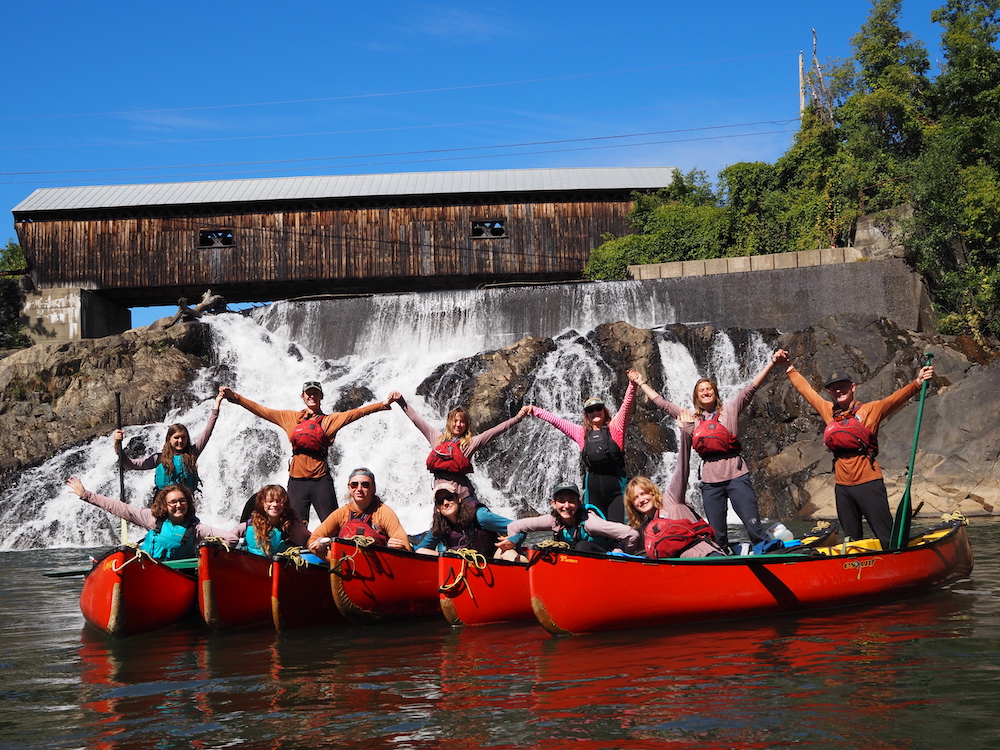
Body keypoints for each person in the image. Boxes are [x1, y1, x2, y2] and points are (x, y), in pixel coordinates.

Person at [631, 352, 786, 550]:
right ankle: (722, 567)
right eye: (701, 390)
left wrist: (772, 363)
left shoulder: (730, 409)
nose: (705, 392)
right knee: (718, 535)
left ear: (715, 392)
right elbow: (663, 404)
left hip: (736, 476)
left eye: (709, 389)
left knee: (753, 525)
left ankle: (774, 556)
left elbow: (751, 388)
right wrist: (641, 383)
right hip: (711, 483)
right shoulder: (691, 418)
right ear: (696, 396)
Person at [780, 356, 934, 550]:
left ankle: (897, 563)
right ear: (829, 392)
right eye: (834, 388)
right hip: (842, 486)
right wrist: (788, 367)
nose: (839, 390)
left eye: (843, 386)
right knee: (852, 540)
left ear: (853, 387)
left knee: (886, 536)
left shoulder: (871, 410)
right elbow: (806, 391)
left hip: (868, 482)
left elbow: (894, 400)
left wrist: (918, 382)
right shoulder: (829, 411)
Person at [219, 382, 399, 524]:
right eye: (309, 393)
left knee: (332, 522)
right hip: (297, 480)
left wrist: (384, 404)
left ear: (321, 397)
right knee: (295, 523)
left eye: (316, 393)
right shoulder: (289, 418)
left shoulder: (330, 420)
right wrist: (234, 396)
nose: (312, 396)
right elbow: (261, 410)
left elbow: (358, 413)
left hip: (320, 479)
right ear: (303, 396)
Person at [527, 376, 637, 523]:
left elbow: (627, 406)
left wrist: (632, 384)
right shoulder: (581, 433)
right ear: (586, 414)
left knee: (620, 529)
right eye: (591, 410)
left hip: (617, 489)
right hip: (593, 490)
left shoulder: (615, 428)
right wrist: (534, 410)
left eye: (598, 408)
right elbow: (557, 421)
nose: (595, 412)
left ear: (604, 410)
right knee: (594, 530)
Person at [623, 410, 726, 558]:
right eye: (636, 497)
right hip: (679, 568)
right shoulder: (644, 528)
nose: (641, 499)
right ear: (632, 504)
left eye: (643, 493)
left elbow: (681, 469)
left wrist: (686, 433)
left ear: (652, 493)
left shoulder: (671, 498)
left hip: (705, 555)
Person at [65, 476, 237, 560]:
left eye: (182, 501)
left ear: (188, 503)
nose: (178, 506)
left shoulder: (197, 528)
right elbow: (121, 508)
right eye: (173, 502)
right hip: (145, 570)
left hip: (177, 575)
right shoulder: (152, 519)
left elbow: (231, 538)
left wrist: (208, 559)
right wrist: (86, 495)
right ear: (165, 505)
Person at [396, 397, 530, 501]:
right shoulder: (437, 438)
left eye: (462, 422)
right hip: (442, 497)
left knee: (480, 518)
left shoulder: (470, 443)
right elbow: (417, 420)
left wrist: (518, 418)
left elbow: (495, 431)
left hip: (462, 496)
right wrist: (400, 400)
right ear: (450, 422)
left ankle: (512, 530)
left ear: (466, 425)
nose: (458, 425)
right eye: (455, 421)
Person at [113, 391, 225, 492]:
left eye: (183, 437)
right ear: (169, 439)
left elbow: (208, 431)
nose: (180, 441)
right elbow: (130, 464)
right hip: (164, 505)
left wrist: (217, 404)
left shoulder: (192, 453)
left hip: (185, 506)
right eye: (176, 437)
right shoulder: (158, 458)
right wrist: (117, 445)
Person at [497, 481, 639, 555]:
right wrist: (513, 541)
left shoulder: (590, 523)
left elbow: (632, 534)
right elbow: (514, 526)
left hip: (602, 559)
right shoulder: (553, 520)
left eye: (571, 500)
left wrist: (619, 554)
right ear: (554, 504)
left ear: (578, 503)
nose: (566, 505)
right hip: (574, 563)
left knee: (581, 546)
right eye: (561, 500)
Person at [307, 468, 411, 556]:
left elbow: (406, 546)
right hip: (346, 564)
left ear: (373, 489)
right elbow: (312, 540)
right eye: (354, 485)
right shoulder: (341, 513)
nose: (359, 489)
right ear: (349, 488)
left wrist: (399, 548)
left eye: (365, 485)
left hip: (379, 567)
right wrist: (332, 558)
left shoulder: (384, 512)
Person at [415, 480, 517, 559]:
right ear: (437, 508)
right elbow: (420, 549)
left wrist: (512, 540)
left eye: (450, 497)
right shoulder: (440, 526)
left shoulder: (480, 516)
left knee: (508, 553)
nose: (445, 503)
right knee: (421, 552)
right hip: (459, 566)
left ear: (459, 499)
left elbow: (517, 527)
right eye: (440, 501)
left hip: (491, 559)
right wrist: (403, 548)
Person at [230, 485, 310, 557]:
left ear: (285, 504)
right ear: (262, 503)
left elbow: (311, 539)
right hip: (250, 566)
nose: (275, 504)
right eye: (270, 501)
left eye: (279, 501)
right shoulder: (250, 524)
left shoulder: (291, 526)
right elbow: (230, 537)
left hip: (280, 567)